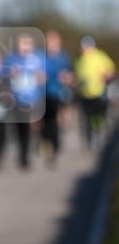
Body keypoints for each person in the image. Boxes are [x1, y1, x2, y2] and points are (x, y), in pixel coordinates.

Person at [2, 33, 46, 169]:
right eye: (21, 43)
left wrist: (39, 76)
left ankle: (25, 157)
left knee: (28, 127)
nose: (24, 47)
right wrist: (10, 74)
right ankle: (22, 153)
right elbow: (2, 76)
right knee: (18, 128)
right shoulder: (10, 58)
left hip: (33, 98)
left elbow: (43, 77)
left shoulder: (38, 58)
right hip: (16, 99)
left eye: (27, 43)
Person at [74, 36, 116, 149]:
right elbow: (77, 76)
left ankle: (100, 138)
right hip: (84, 95)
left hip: (99, 93)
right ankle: (90, 142)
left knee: (99, 118)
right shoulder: (79, 60)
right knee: (87, 120)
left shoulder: (100, 56)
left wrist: (106, 76)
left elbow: (111, 70)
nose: (83, 49)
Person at [42, 30, 73, 165]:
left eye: (53, 42)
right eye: (48, 42)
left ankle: (55, 148)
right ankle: (46, 141)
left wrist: (67, 78)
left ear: (58, 42)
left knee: (54, 123)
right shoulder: (40, 57)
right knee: (44, 122)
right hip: (42, 94)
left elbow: (71, 75)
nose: (50, 45)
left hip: (57, 94)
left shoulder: (63, 58)